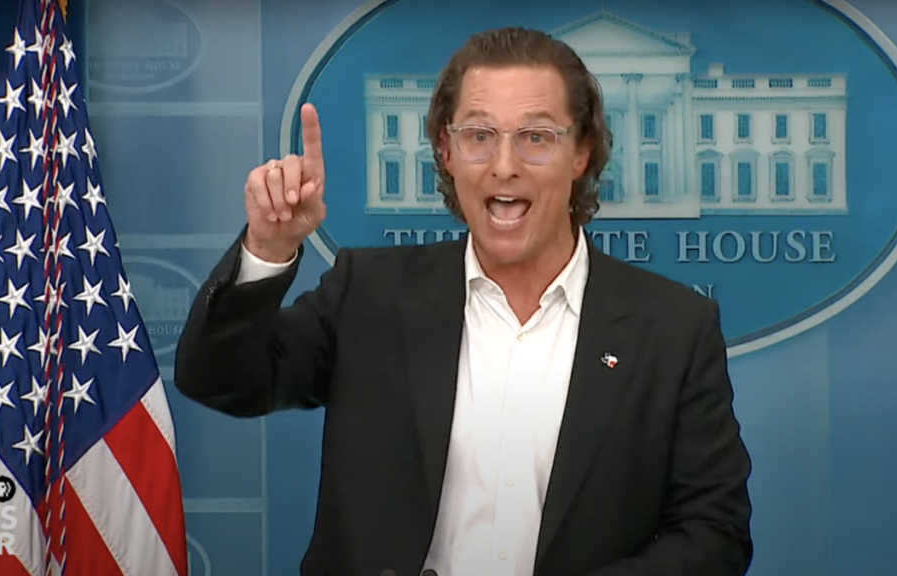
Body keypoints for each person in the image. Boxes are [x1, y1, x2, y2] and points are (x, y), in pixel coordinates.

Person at [175, 27, 753, 576]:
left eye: (536, 137)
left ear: (581, 153)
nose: (504, 166)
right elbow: (220, 380)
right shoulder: (368, 293)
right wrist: (268, 249)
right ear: (446, 151)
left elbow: (715, 533)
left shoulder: (674, 328)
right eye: (479, 136)